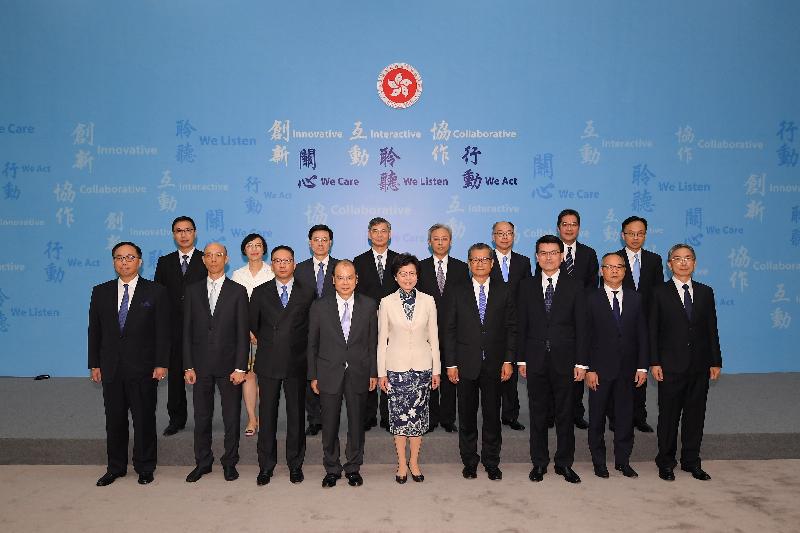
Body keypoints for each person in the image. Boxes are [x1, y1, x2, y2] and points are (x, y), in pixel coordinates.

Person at [89, 241, 169, 486]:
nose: (124, 262)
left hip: (144, 367)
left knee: (144, 418)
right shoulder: (100, 291)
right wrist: (95, 363)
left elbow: (163, 332)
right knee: (114, 419)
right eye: (119, 258)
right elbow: (95, 331)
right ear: (114, 262)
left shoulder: (156, 291)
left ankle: (145, 467)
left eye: (130, 257)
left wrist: (161, 363)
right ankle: (115, 467)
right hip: (111, 366)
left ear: (140, 261)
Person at [518, 235, 588, 484]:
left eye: (553, 252)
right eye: (543, 253)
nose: (548, 257)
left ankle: (564, 463)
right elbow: (521, 325)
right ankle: (539, 463)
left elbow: (582, 326)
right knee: (537, 414)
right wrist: (521, 360)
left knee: (565, 415)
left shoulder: (576, 285)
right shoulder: (526, 286)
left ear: (561, 256)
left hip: (566, 361)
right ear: (537, 257)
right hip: (535, 360)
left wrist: (581, 362)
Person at [650, 244, 722, 482]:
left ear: (695, 263)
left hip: (699, 365)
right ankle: (666, 462)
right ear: (669, 264)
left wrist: (715, 360)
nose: (683, 263)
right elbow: (653, 331)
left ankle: (691, 461)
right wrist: (654, 362)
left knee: (695, 415)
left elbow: (711, 328)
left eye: (688, 258)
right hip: (670, 365)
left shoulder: (705, 292)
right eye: (677, 259)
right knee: (669, 417)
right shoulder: (659, 292)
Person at [445, 243, 516, 481]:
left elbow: (510, 328)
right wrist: (451, 364)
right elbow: (449, 330)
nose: (479, 264)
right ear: (468, 263)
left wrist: (508, 359)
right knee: (466, 416)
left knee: (492, 416)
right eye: (474, 260)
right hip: (465, 364)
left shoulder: (504, 290)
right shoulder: (456, 290)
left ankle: (491, 461)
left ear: (492, 263)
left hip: (495, 364)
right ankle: (470, 461)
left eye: (484, 260)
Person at [307, 260, 378, 488]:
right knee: (329, 423)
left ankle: (353, 467)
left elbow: (372, 342)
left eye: (349, 277)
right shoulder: (319, 306)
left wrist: (373, 373)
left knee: (356, 423)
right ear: (333, 280)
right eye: (340, 277)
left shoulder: (369, 305)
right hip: (328, 372)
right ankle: (332, 468)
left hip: (359, 371)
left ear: (356, 279)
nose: (345, 282)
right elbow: (312, 344)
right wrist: (314, 375)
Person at [183, 243, 249, 482]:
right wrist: (188, 365)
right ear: (203, 260)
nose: (213, 260)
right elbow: (186, 331)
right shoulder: (192, 290)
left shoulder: (238, 291)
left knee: (231, 417)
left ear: (226, 259)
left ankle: (230, 462)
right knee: (201, 417)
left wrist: (241, 367)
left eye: (218, 255)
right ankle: (203, 462)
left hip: (230, 367)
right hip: (199, 367)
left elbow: (243, 333)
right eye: (208, 256)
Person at [249, 245, 315, 486]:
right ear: (272, 264)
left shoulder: (307, 292)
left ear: (294, 264)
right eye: (278, 261)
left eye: (287, 261)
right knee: (267, 416)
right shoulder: (259, 292)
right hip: (268, 362)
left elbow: (311, 328)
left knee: (296, 417)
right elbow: (254, 326)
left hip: (297, 363)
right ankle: (266, 465)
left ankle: (295, 465)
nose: (283, 265)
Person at [377, 254, 440, 484]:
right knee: (399, 419)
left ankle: (414, 461)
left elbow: (434, 337)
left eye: (412, 273)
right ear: (395, 277)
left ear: (417, 276)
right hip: (396, 369)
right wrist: (382, 373)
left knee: (418, 420)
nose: (408, 277)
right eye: (403, 273)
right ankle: (401, 463)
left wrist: (436, 370)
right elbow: (381, 340)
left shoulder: (428, 300)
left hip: (422, 368)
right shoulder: (386, 302)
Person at [585, 252, 648, 479]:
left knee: (624, 417)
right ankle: (599, 462)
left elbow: (642, 334)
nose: (614, 270)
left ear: (625, 270)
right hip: (599, 370)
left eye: (618, 267)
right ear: (601, 271)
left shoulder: (635, 298)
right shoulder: (590, 298)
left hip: (628, 370)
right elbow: (586, 336)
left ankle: (623, 461)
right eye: (609, 267)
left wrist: (642, 367)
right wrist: (589, 369)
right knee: (597, 418)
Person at [609, 215, 664, 433]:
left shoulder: (654, 260)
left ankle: (639, 416)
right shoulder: (614, 259)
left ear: (645, 236)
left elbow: (659, 294)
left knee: (640, 368)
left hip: (645, 325)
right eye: (630, 233)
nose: (635, 237)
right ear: (622, 235)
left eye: (640, 233)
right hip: (618, 323)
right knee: (616, 371)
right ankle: (614, 417)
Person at [154, 216, 207, 436]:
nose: (183, 235)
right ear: (173, 234)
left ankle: (203, 419)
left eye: (187, 230)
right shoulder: (164, 262)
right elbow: (158, 294)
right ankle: (177, 419)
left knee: (203, 375)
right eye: (178, 231)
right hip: (174, 328)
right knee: (176, 375)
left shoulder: (206, 259)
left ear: (195, 233)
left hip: (202, 327)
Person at [416, 223, 469, 433]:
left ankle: (447, 418)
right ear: (429, 242)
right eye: (436, 239)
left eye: (444, 238)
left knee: (449, 375)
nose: (440, 242)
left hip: (454, 332)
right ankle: (429, 418)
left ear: (450, 242)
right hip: (426, 333)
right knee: (428, 376)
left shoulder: (461, 267)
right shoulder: (419, 268)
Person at [552, 209, 598, 430]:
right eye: (565, 224)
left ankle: (576, 413)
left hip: (580, 318)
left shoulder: (589, 254)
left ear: (579, 227)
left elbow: (592, 287)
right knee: (554, 369)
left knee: (578, 365)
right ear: (558, 227)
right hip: (555, 319)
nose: (569, 228)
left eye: (573, 224)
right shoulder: (550, 252)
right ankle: (554, 412)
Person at [353, 217, 399, 431]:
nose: (379, 235)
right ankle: (368, 415)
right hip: (367, 322)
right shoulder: (359, 261)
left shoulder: (400, 260)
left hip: (395, 323)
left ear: (390, 234)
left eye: (383, 231)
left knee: (391, 368)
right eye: (375, 231)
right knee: (369, 367)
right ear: (369, 234)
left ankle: (389, 415)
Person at [295, 224, 339, 437]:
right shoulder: (299, 269)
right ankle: (314, 418)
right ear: (310, 242)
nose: (320, 243)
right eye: (316, 239)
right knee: (310, 373)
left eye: (325, 239)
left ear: (330, 242)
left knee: (334, 376)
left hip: (336, 331)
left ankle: (332, 417)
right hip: (306, 330)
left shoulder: (341, 268)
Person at [488, 221, 531, 432]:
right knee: (491, 372)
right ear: (493, 236)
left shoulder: (524, 262)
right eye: (500, 233)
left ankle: (510, 415)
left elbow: (527, 293)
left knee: (510, 371)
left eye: (509, 233)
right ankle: (492, 413)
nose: (504, 237)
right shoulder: (485, 260)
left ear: (514, 236)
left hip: (515, 324)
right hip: (490, 324)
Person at [231, 233, 274, 437]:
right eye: (250, 245)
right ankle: (251, 418)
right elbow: (235, 308)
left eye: (258, 245)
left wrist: (261, 332)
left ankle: (264, 418)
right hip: (243, 333)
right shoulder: (238, 275)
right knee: (248, 376)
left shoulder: (273, 272)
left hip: (268, 334)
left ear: (264, 249)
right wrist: (248, 331)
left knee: (264, 377)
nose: (254, 249)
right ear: (244, 250)